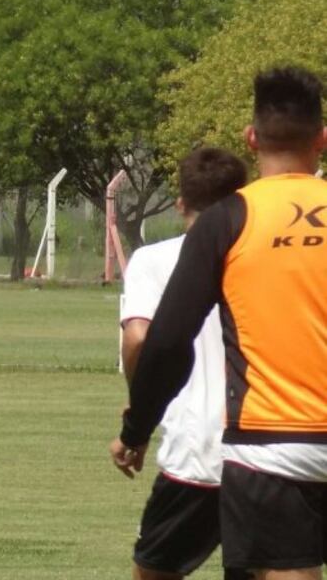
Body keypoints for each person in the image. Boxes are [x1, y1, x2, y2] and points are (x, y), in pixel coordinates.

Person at [111, 66, 327, 580]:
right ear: (323, 139)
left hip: (273, 446)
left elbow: (166, 342)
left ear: (250, 139)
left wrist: (136, 428)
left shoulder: (228, 219)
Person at [119, 147, 248, 580]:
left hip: (196, 449)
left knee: (154, 573)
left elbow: (138, 339)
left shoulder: (153, 260)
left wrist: (140, 413)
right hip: (265, 447)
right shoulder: (261, 259)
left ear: (179, 204)